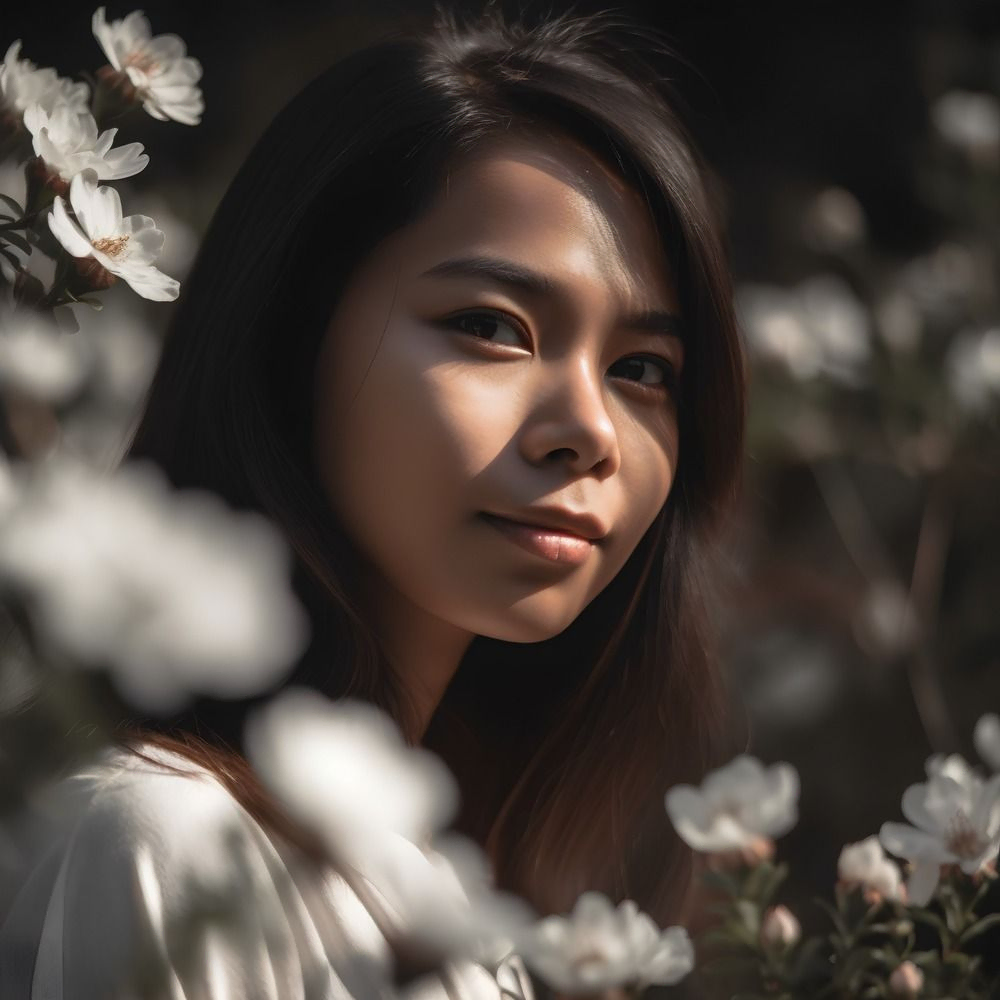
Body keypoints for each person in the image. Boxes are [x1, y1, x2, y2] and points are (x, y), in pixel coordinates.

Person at [0, 2, 747, 996]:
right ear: (290, 336)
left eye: (644, 369)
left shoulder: (449, 899)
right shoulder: (178, 840)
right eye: (492, 325)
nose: (592, 431)